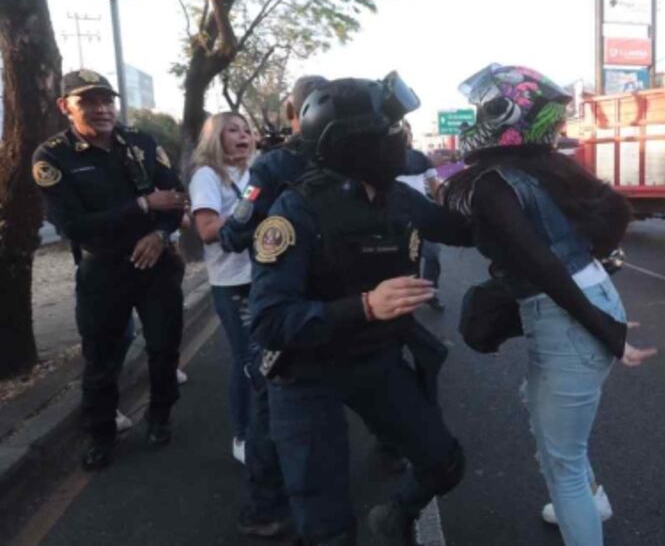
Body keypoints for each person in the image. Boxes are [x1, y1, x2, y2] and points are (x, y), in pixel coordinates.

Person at [250, 74, 471, 545]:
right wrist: (366, 306)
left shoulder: (398, 197)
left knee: (444, 462)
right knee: (326, 524)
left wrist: (515, 184)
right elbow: (270, 321)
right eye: (392, 131)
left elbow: (465, 229)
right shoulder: (294, 212)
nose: (402, 140)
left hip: (374, 361)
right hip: (306, 374)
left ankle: (396, 514)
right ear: (355, 143)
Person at [442, 64, 657, 546]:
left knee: (560, 460)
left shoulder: (497, 181)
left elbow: (543, 266)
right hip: (588, 297)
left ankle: (584, 506)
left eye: (488, 106)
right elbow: (609, 220)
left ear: (507, 113)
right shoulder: (537, 170)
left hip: (571, 312)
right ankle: (592, 497)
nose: (478, 115)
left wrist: (605, 330)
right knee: (549, 425)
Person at [32, 69, 188, 470]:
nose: (102, 109)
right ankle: (101, 433)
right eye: (88, 102)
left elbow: (175, 198)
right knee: (100, 359)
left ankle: (160, 416)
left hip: (155, 265)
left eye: (107, 101)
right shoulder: (52, 157)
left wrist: (160, 233)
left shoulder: (141, 143)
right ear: (65, 107)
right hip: (103, 271)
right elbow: (73, 226)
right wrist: (141, 206)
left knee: (163, 348)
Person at [189, 112, 257, 463]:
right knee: (247, 359)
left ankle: (265, 425)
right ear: (216, 138)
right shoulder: (207, 176)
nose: (243, 135)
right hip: (232, 281)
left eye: (246, 130)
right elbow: (207, 229)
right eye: (233, 130)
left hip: (263, 276)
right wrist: (251, 214)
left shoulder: (256, 172)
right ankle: (243, 434)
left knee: (267, 357)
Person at [218, 75, 327, 254]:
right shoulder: (352, 158)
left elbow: (235, 234)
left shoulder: (269, 166)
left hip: (288, 275)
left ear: (291, 111)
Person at [397, 120, 445, 312]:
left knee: (433, 257)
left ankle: (430, 294)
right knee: (406, 261)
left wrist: (442, 210)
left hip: (423, 215)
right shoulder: (385, 158)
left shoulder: (421, 159)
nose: (404, 136)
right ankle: (407, 299)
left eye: (406, 132)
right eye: (400, 132)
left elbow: (434, 188)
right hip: (399, 219)